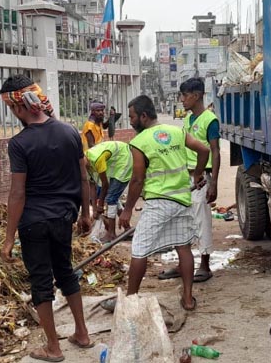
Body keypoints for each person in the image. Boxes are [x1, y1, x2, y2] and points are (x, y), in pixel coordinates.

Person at [0, 74, 93, 362]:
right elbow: (83, 176)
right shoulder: (70, 133)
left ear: (18, 107)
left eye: (11, 109)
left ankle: (53, 348)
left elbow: (17, 194)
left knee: (41, 281)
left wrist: (8, 237)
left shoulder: (19, 143)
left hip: (34, 222)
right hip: (64, 217)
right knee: (66, 272)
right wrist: (86, 213)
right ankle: (82, 333)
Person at [117, 95, 210, 311]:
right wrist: (197, 175)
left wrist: (128, 210)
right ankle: (187, 299)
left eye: (132, 117)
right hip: (181, 199)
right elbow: (204, 150)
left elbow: (138, 179)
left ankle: (130, 301)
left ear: (143, 115)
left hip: (159, 202)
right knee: (183, 247)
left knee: (139, 250)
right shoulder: (176, 131)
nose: (130, 121)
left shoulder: (139, 142)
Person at [158, 78, 220, 283]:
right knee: (182, 220)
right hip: (186, 176)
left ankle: (204, 264)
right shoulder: (188, 120)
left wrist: (214, 183)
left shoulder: (209, 119)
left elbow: (215, 151)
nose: (182, 100)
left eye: (185, 95)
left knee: (201, 220)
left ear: (197, 95)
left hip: (202, 177)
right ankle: (182, 263)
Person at [85, 140, 132, 242]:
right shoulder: (85, 166)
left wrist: (100, 205)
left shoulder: (96, 159)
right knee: (111, 196)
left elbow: (105, 185)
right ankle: (128, 229)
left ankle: (111, 234)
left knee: (111, 197)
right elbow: (92, 186)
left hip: (124, 158)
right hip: (114, 162)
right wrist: (94, 209)